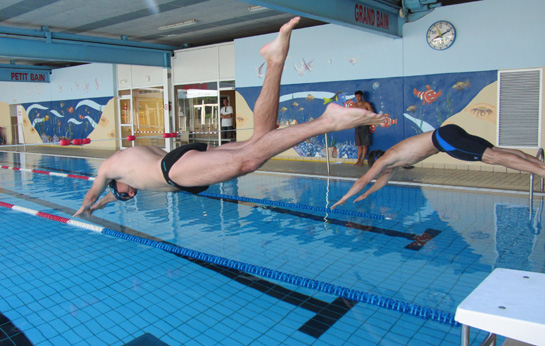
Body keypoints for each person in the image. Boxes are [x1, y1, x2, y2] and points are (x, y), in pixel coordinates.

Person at [74, 17, 385, 217]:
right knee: (260, 138)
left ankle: (325, 122)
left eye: (124, 195)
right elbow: (108, 196)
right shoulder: (125, 172)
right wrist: (102, 204)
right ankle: (275, 60)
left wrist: (84, 207)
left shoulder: (109, 168)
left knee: (247, 161)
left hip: (175, 169)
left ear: (116, 183)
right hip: (185, 155)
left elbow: (93, 190)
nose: (130, 194)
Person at [332, 124, 545, 208]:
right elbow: (380, 182)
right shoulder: (392, 161)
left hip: (444, 140)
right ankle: (540, 164)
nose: (382, 175)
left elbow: (364, 179)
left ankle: (541, 170)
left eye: (379, 172)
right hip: (448, 132)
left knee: (492, 158)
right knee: (497, 152)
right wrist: (367, 195)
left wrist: (343, 198)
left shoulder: (384, 161)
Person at [352, 90, 374, 165]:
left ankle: (362, 160)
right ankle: (358, 159)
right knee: (359, 145)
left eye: (359, 96)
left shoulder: (366, 104)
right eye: (356, 97)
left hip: (364, 125)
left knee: (364, 144)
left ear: (362, 96)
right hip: (357, 126)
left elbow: (372, 113)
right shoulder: (354, 106)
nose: (357, 98)